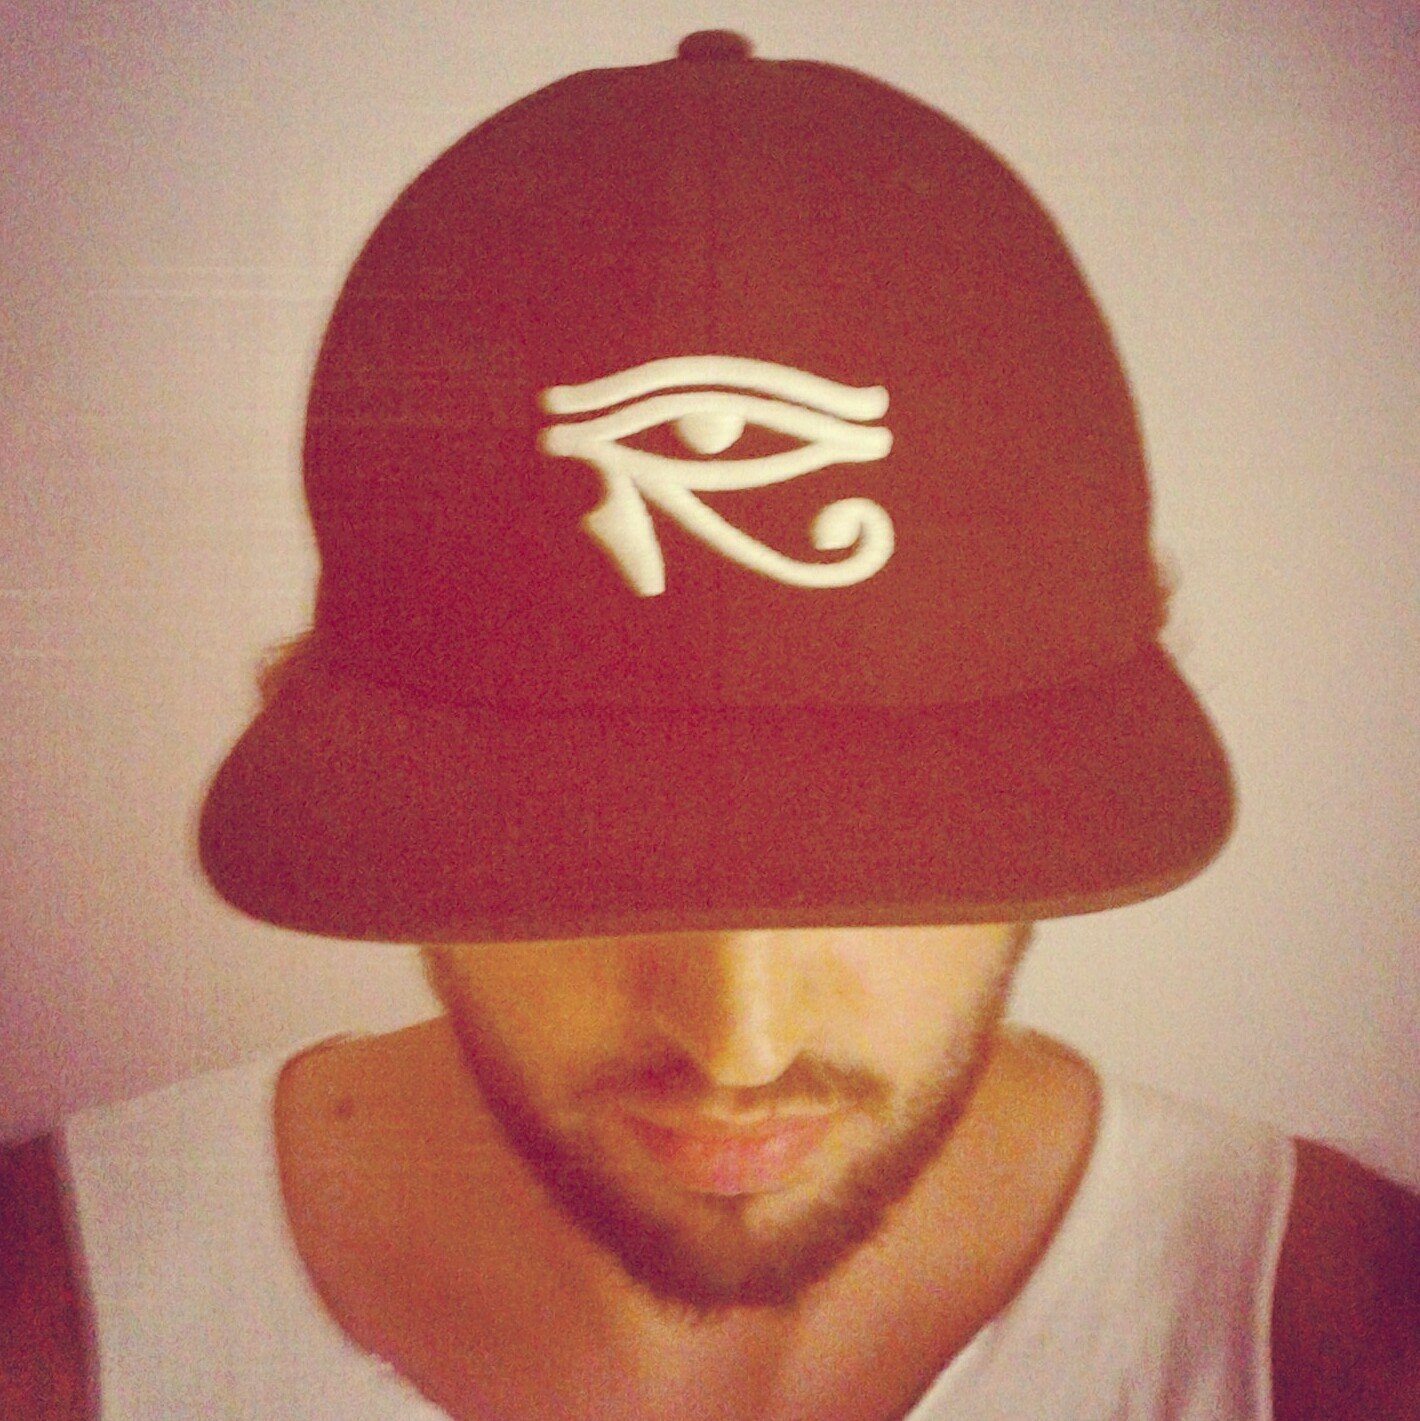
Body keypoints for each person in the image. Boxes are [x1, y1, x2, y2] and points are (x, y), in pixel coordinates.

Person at [2, 31, 1415, 1421]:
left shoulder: (1348, 1342)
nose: (739, 1046)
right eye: (579, 853)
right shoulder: (50, 1327)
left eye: (884, 854)